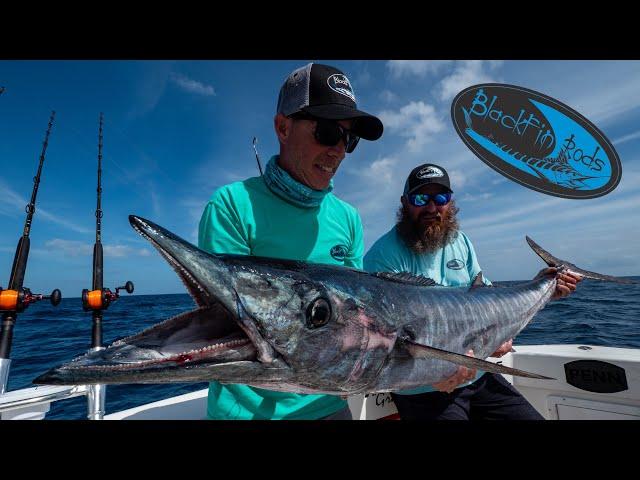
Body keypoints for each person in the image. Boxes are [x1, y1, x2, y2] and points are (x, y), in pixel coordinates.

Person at [198, 63, 383, 420]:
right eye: (329, 132)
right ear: (283, 127)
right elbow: (225, 325)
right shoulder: (232, 205)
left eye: (349, 139)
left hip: (330, 405)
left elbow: (356, 320)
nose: (338, 151)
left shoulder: (348, 218)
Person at [363, 163, 582, 420]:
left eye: (440, 198)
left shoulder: (460, 241)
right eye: (421, 198)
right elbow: (386, 342)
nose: (432, 208)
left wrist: (545, 287)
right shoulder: (383, 255)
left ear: (450, 202)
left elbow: (483, 295)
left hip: (478, 374)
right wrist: (440, 370)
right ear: (404, 202)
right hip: (422, 388)